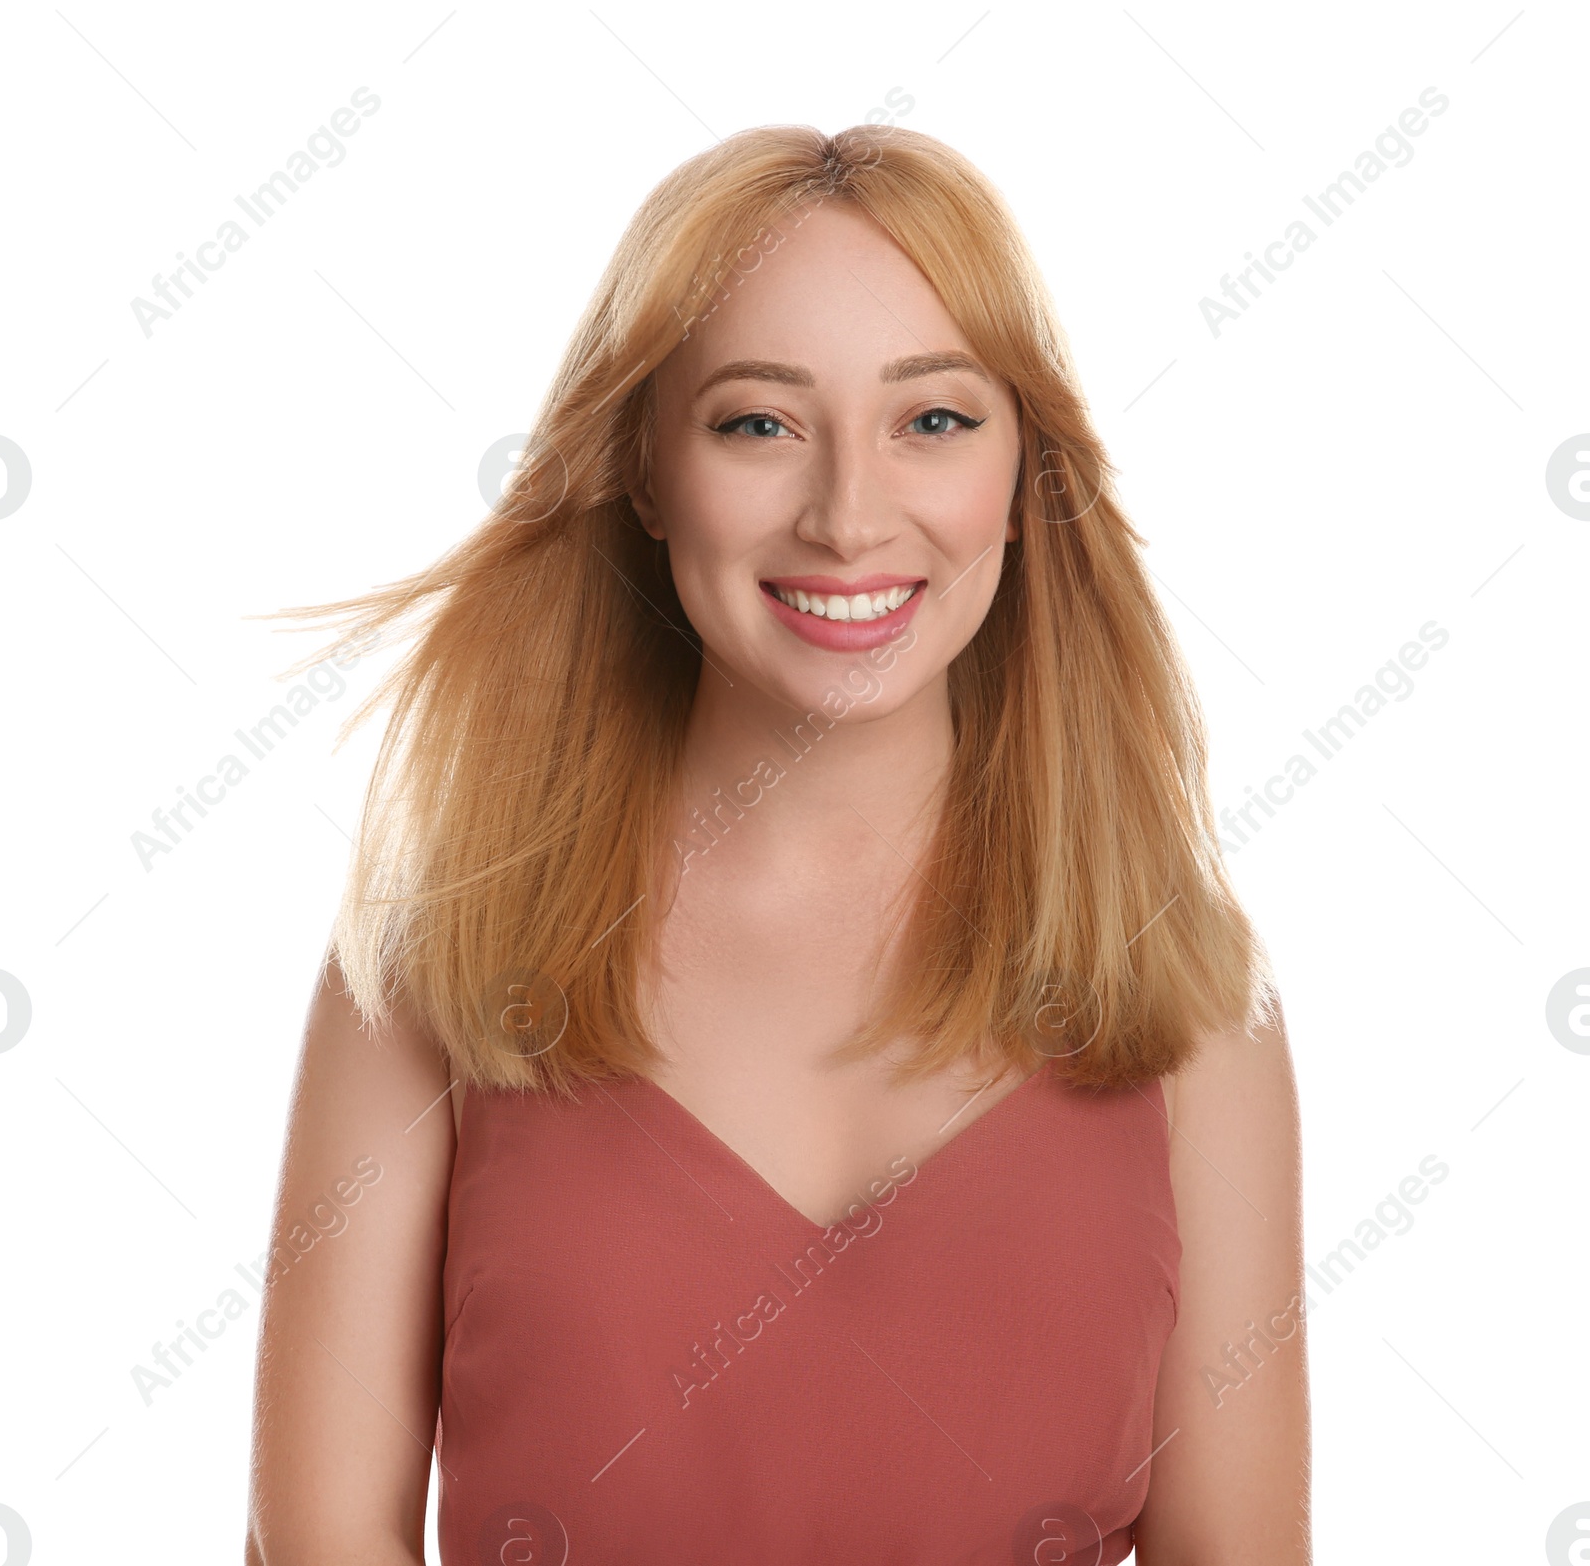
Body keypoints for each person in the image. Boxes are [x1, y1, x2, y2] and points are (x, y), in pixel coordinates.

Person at [245, 124, 1309, 1565]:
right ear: (642, 465)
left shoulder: (1184, 990)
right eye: (759, 422)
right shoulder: (434, 961)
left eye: (933, 420)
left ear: (1025, 474)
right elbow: (314, 1547)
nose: (849, 515)